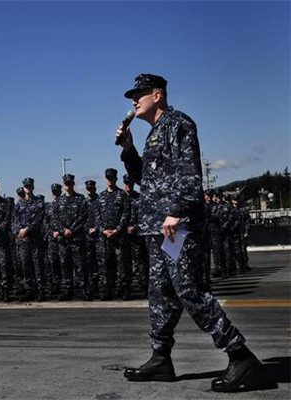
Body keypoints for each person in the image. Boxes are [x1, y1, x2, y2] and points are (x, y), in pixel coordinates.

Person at [116, 73, 260, 391]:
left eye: (138, 93)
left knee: (189, 290)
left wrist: (176, 213)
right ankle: (161, 358)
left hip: (176, 228)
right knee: (161, 294)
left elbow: (190, 176)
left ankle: (240, 354)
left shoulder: (178, 124)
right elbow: (147, 181)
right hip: (158, 229)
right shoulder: (153, 134)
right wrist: (128, 150)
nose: (133, 100)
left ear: (158, 95)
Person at [96, 168, 131, 300]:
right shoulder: (101, 197)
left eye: (112, 178)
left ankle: (124, 289)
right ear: (106, 179)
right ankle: (108, 289)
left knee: (122, 264)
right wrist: (103, 230)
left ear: (116, 179)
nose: (110, 180)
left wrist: (118, 229)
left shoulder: (122, 195)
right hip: (105, 237)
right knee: (106, 264)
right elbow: (97, 216)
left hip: (119, 236)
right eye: (108, 178)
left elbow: (126, 214)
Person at [54, 174, 89, 301]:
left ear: (73, 184)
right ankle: (67, 289)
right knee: (65, 264)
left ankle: (83, 289)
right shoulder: (59, 201)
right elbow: (55, 219)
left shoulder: (80, 199)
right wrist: (64, 230)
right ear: (63, 185)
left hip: (77, 238)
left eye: (70, 183)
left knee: (80, 264)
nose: (68, 185)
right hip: (64, 239)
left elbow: (83, 216)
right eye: (66, 183)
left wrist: (72, 229)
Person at [11, 178, 46, 301]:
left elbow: (39, 220)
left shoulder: (39, 203)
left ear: (33, 187)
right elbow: (14, 221)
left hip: (35, 240)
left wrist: (26, 230)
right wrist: (19, 232)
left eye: (29, 186)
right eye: (26, 186)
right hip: (23, 241)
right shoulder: (19, 204)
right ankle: (29, 290)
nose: (27, 188)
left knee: (38, 266)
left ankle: (41, 291)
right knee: (26, 266)